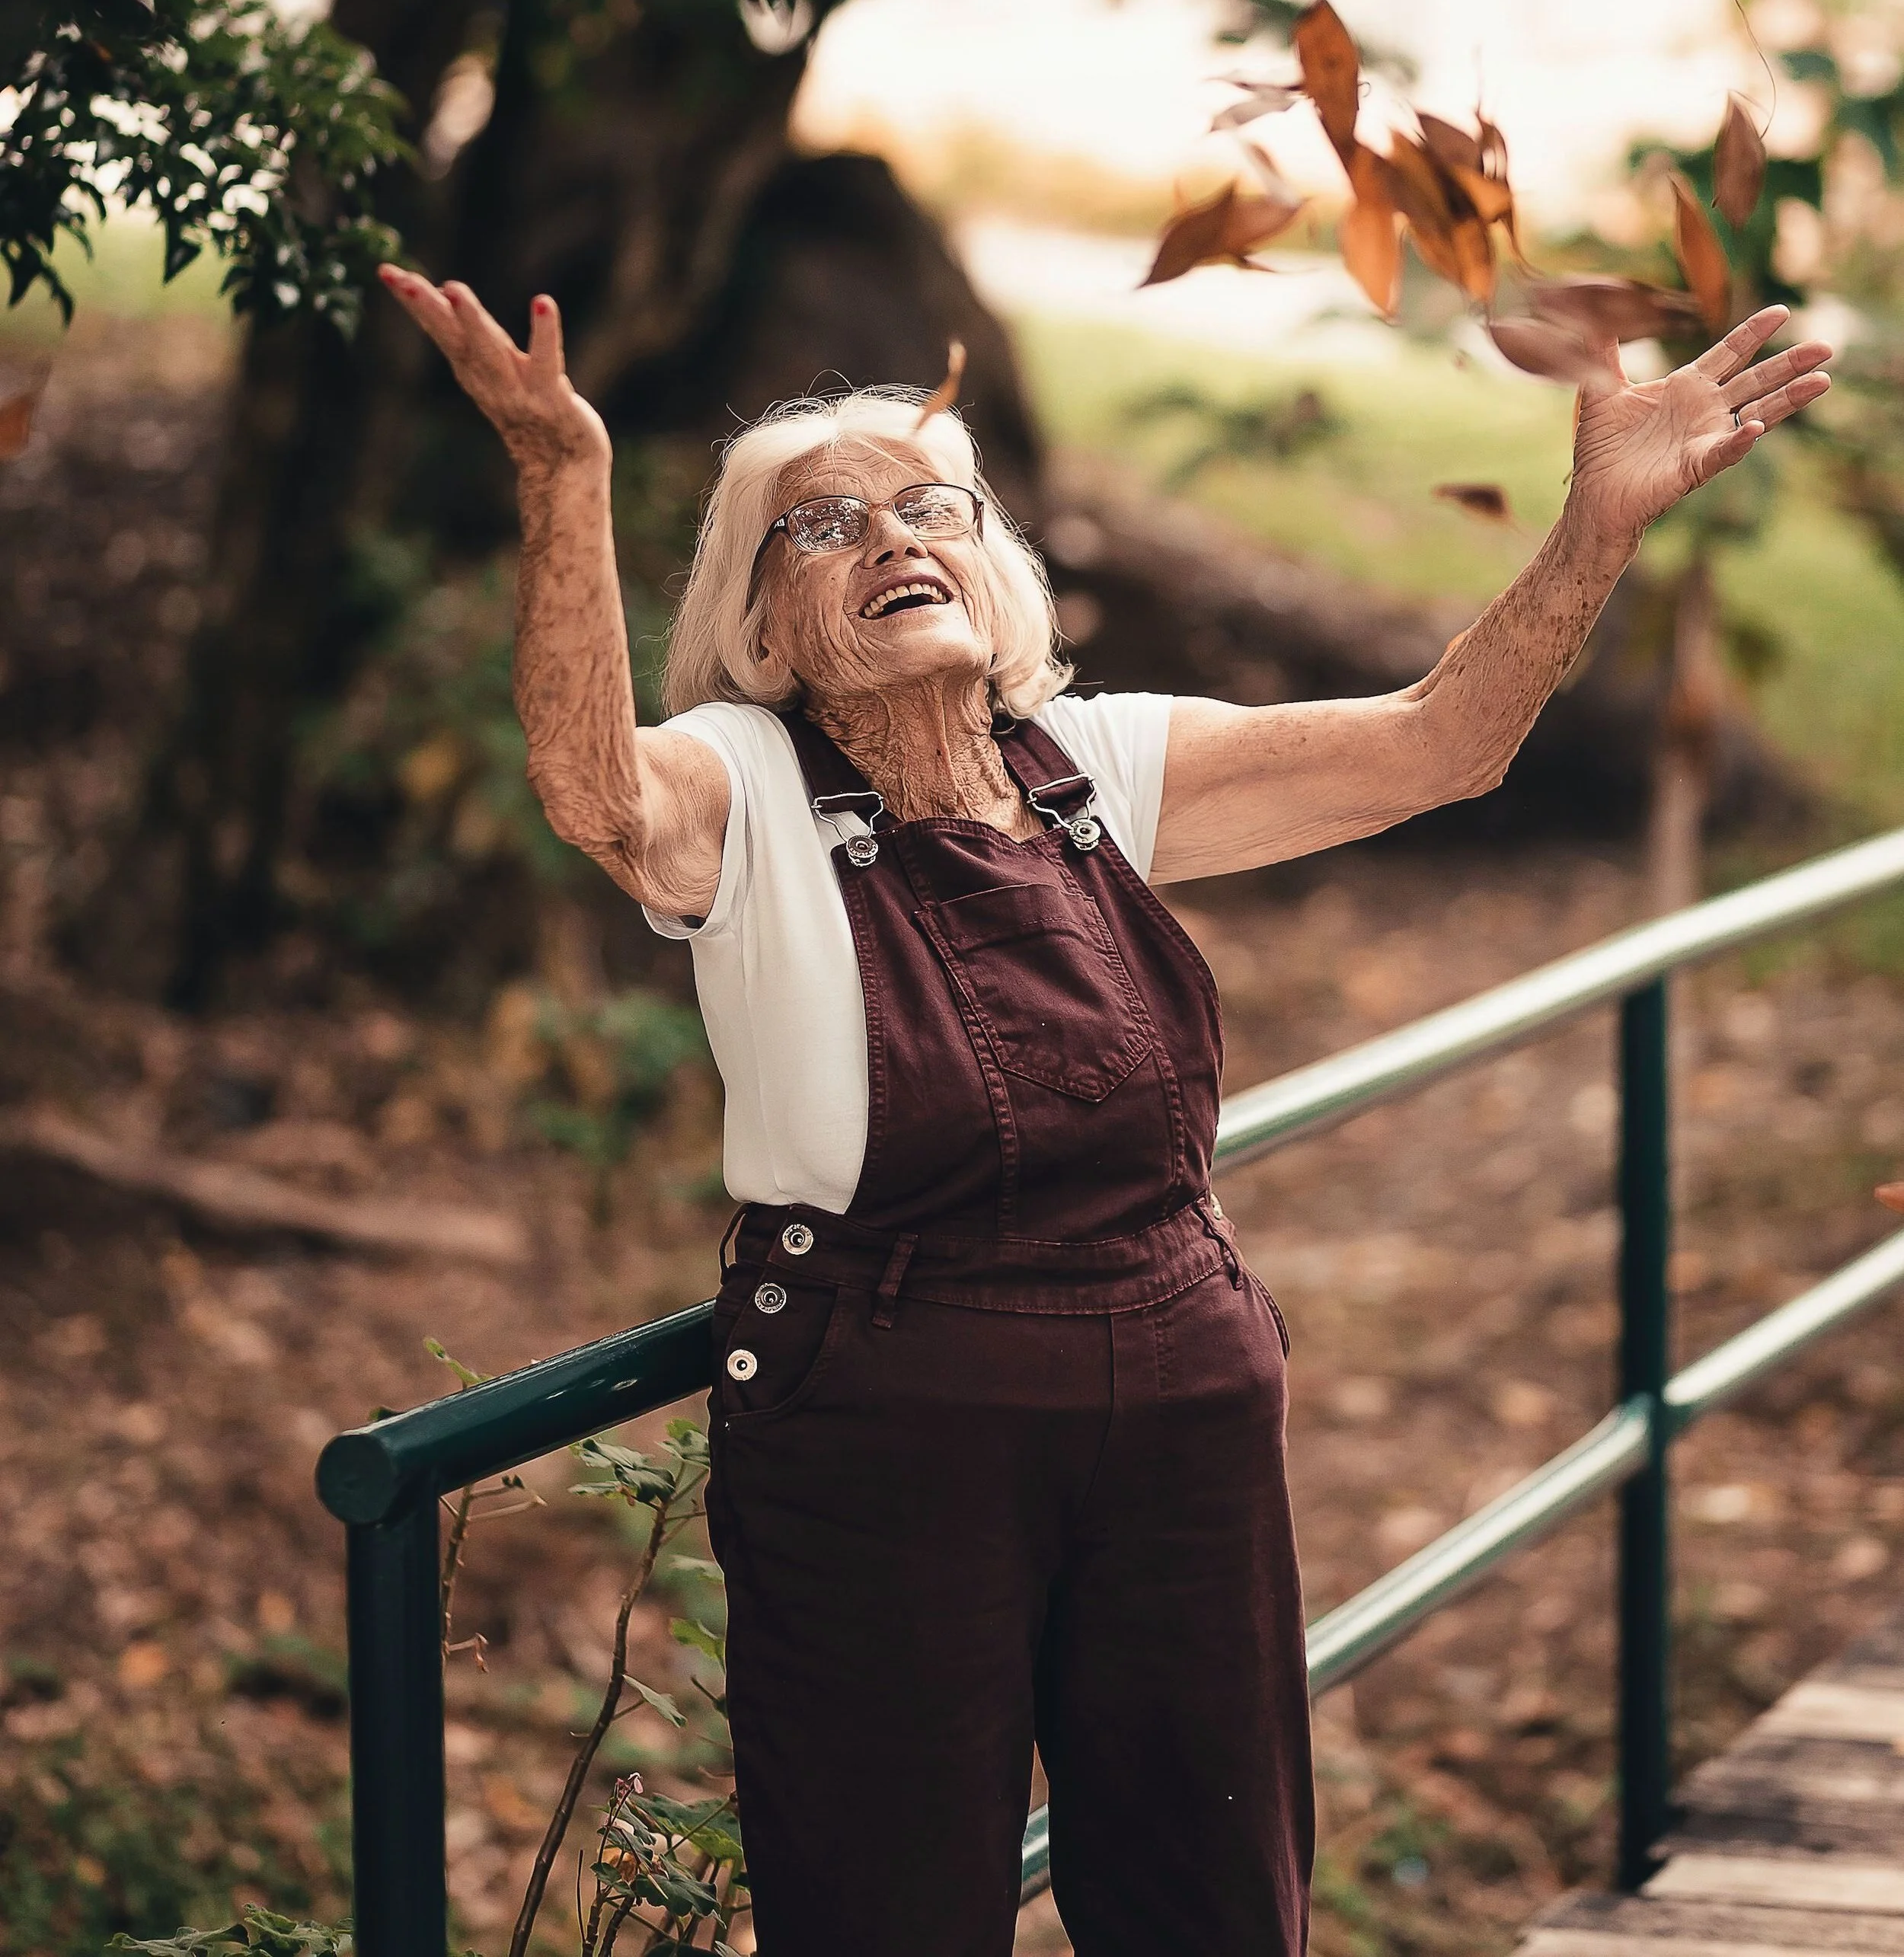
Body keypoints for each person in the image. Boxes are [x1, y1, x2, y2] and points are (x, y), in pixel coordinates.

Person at [380, 260, 1829, 1956]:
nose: (893, 537)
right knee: (886, 1912)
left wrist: (1597, 525)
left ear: (993, 560)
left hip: (1183, 1409)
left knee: (1213, 1908)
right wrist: (565, 483)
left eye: (931, 504)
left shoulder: (1101, 761)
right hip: (890, 1427)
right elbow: (588, 785)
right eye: (823, 527)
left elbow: (1440, 744)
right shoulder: (743, 785)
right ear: (765, 627)